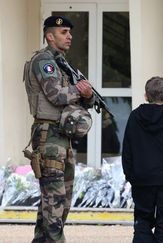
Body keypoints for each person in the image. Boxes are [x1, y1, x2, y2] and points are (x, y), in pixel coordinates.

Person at [23, 16, 94, 242]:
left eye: (70, 32)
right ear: (49, 35)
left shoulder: (62, 63)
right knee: (54, 202)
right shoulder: (45, 62)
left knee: (59, 202)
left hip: (63, 138)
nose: (70, 36)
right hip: (48, 136)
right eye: (64, 32)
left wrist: (88, 96)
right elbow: (56, 96)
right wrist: (80, 91)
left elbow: (77, 97)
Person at [122, 76, 163, 243]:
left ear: (146, 95)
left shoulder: (135, 116)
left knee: (142, 221)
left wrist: (130, 175)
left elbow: (127, 150)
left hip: (142, 178)